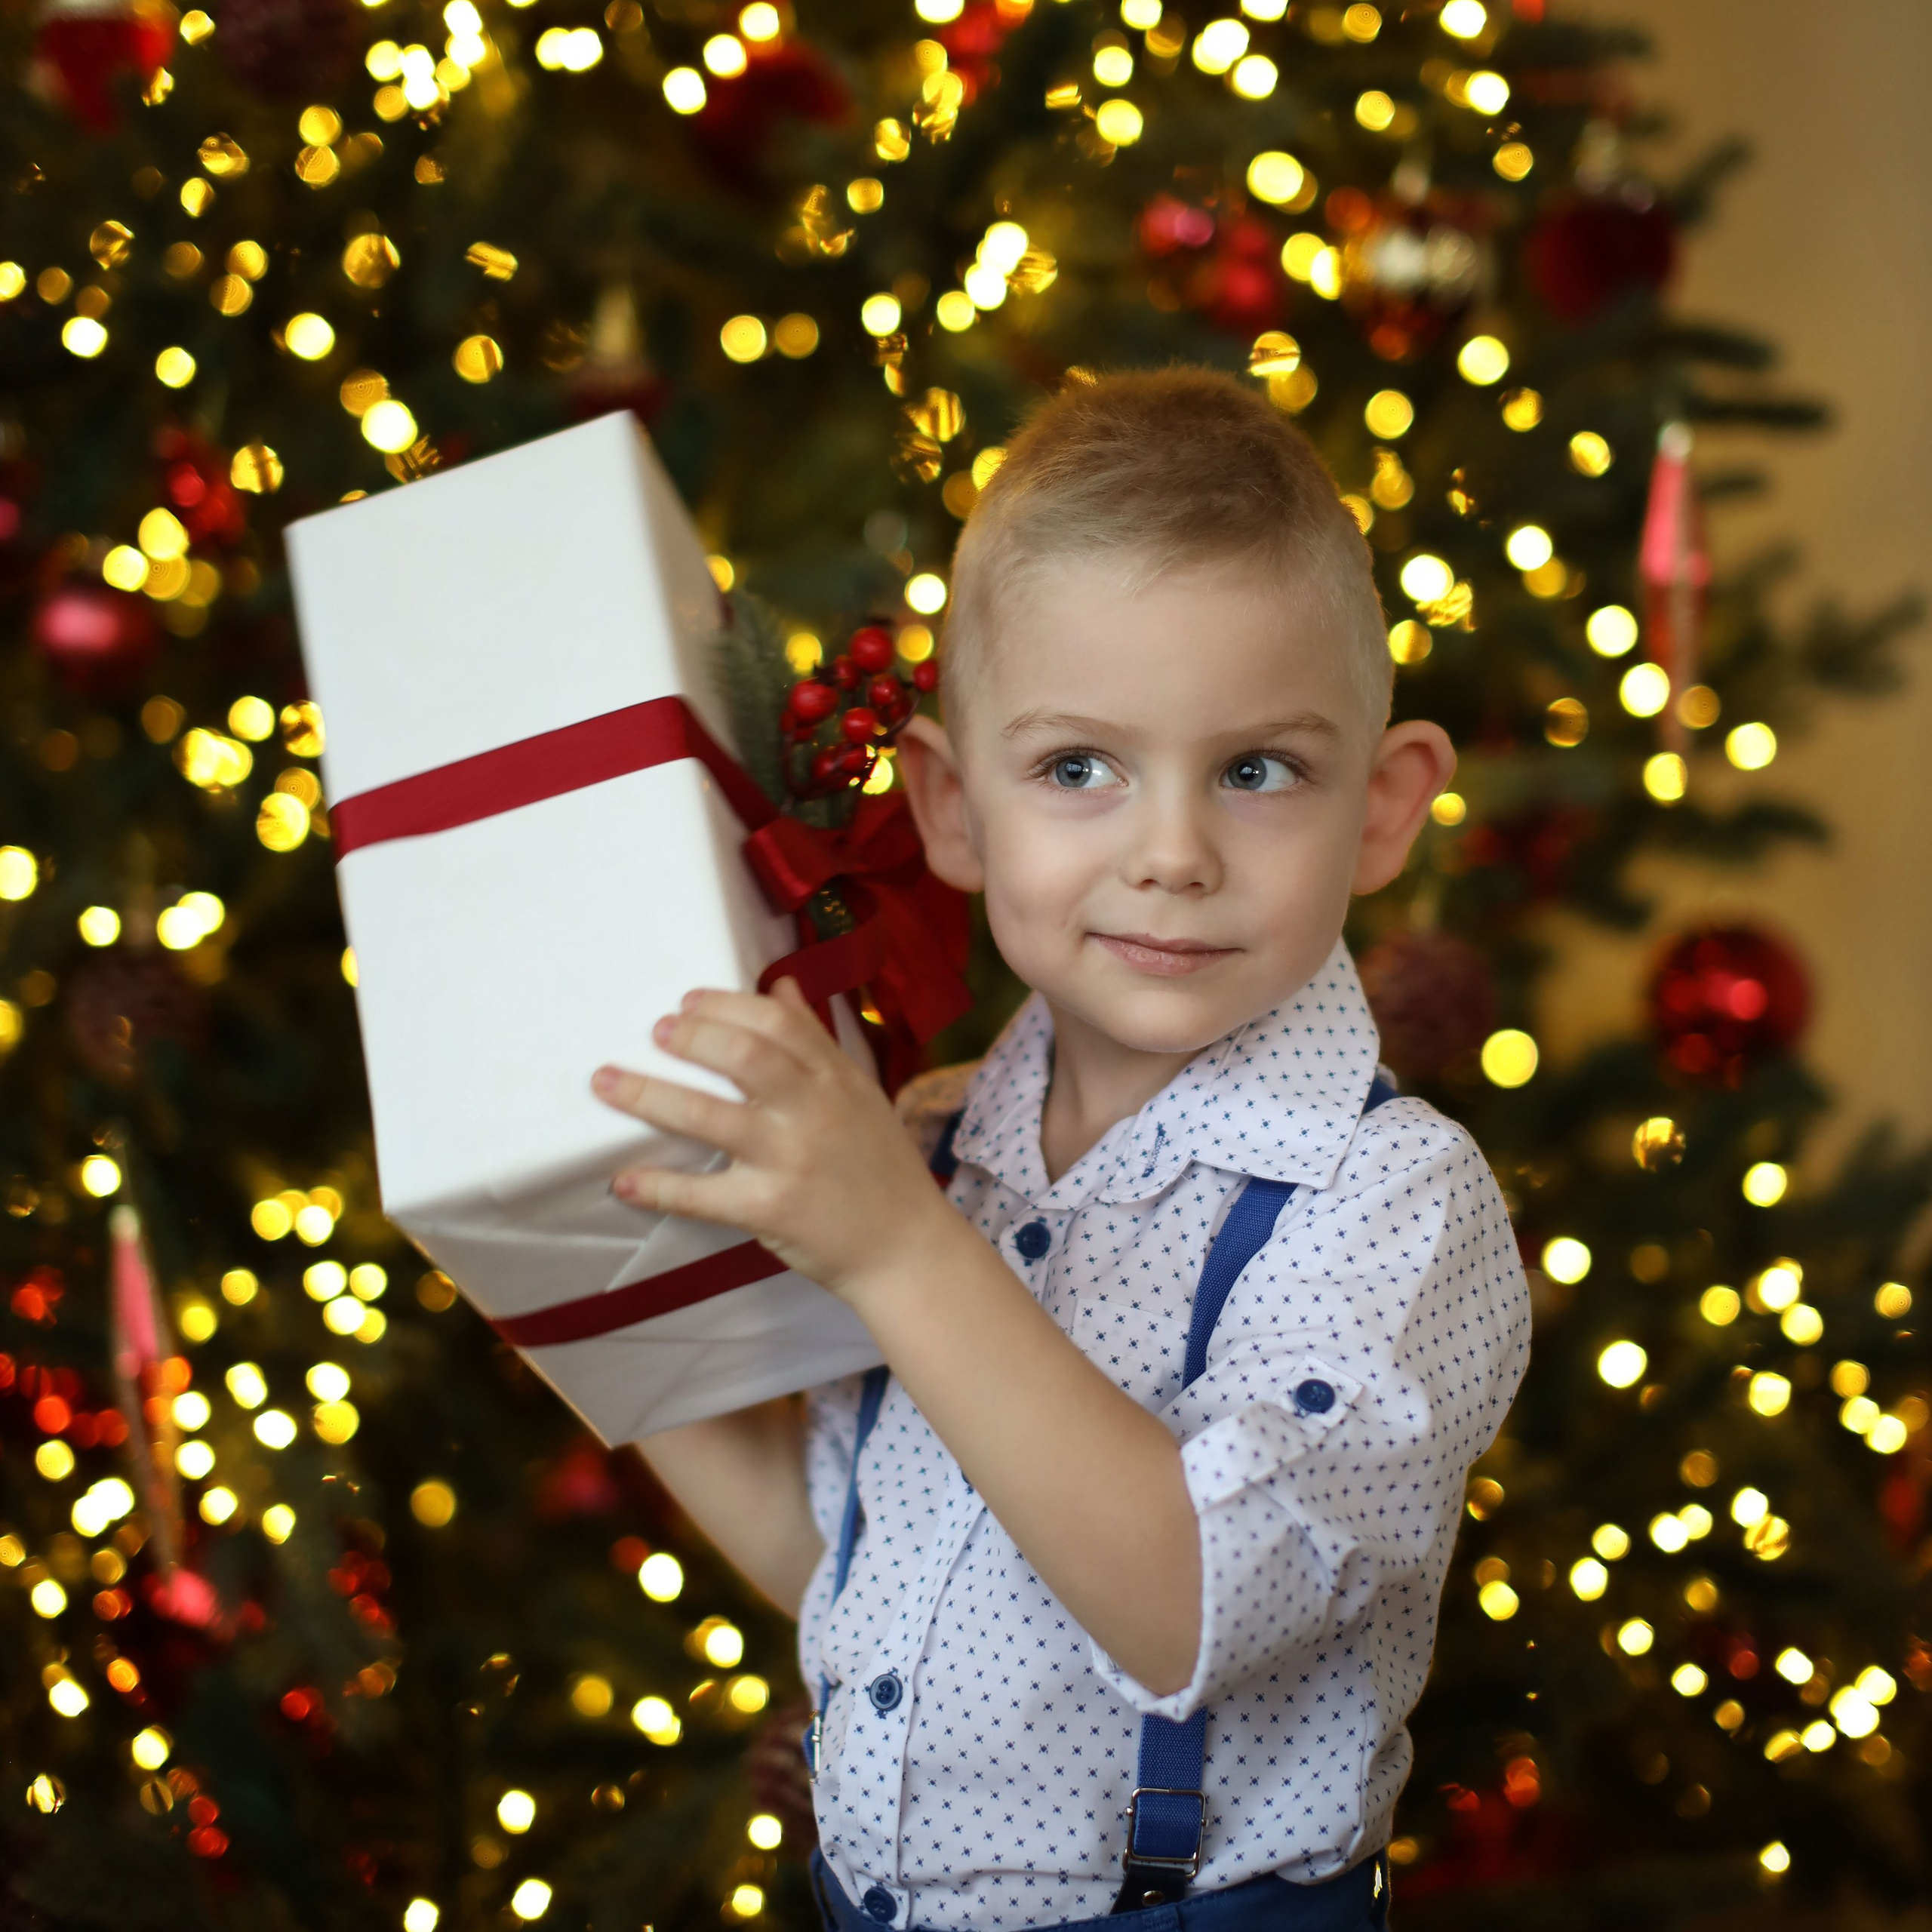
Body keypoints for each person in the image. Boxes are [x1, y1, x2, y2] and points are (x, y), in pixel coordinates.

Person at [592, 368, 1531, 1931]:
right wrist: (591, 1288)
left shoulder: (1392, 1201)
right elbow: (850, 1563)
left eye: (1256, 768)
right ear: (953, 811)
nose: (1168, 850)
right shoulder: (937, 1137)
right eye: (1076, 767)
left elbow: (1186, 1607)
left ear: (1379, 809)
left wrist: (897, 1248)